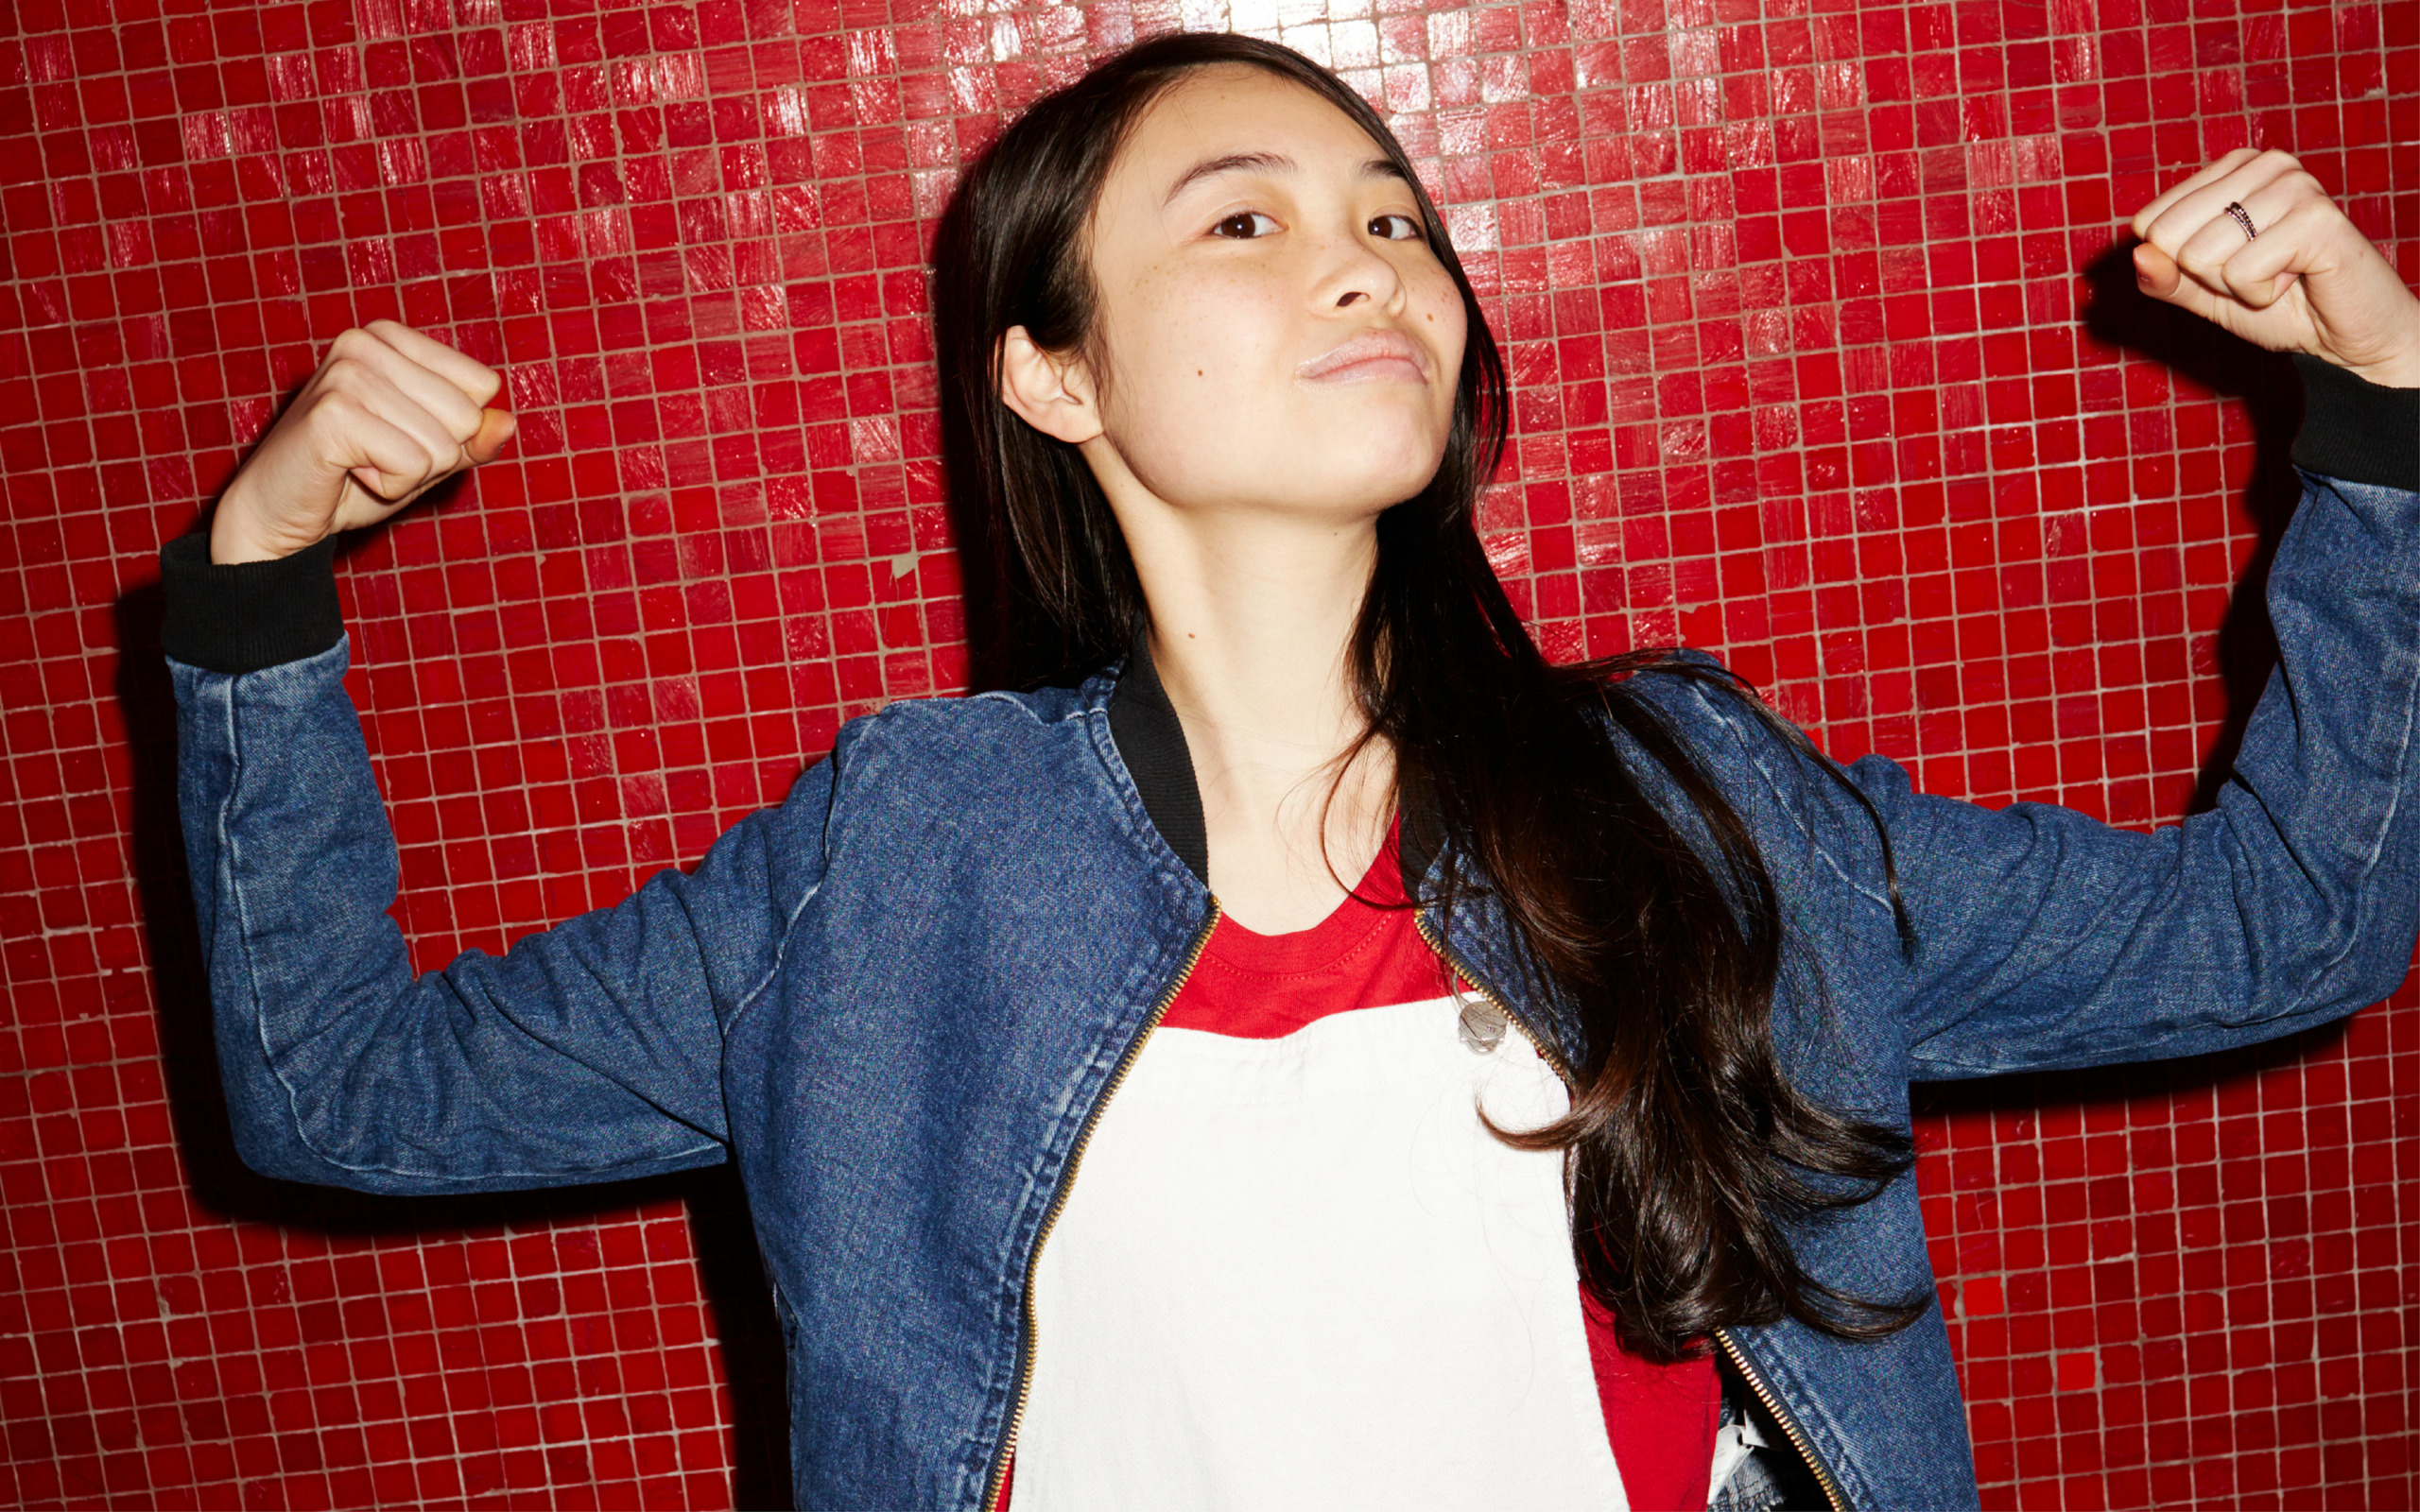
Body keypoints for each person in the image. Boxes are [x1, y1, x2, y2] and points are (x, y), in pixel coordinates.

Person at [156, 30, 2419, 1512]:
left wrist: (2388, 418)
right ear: (1049, 374)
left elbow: (2286, 919)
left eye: (1392, 217)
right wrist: (255, 592)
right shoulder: (897, 862)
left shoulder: (1688, 802)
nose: (1368, 265)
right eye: (1244, 217)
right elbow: (343, 1091)